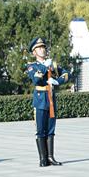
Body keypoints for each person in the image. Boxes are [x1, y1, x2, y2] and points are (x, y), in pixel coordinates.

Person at [25, 38, 72, 167]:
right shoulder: (32, 66)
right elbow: (36, 80)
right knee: (41, 130)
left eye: (44, 47)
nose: (43, 50)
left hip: (51, 100)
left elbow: (67, 74)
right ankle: (42, 159)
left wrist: (58, 81)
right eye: (39, 48)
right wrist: (45, 67)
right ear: (34, 52)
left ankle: (50, 157)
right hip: (40, 101)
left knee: (51, 130)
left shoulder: (53, 64)